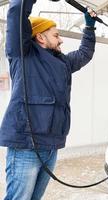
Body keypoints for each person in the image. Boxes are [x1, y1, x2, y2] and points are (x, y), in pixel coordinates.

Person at [0, 0, 97, 199]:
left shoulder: (62, 62)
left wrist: (89, 27)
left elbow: (84, 54)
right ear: (40, 37)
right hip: (26, 147)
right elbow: (17, 12)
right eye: (56, 35)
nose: (60, 40)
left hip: (51, 147)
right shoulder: (22, 54)